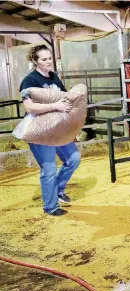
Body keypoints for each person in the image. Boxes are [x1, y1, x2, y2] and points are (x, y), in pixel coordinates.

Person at [19, 44, 81, 216]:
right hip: (39, 129)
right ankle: (50, 206)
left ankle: (58, 190)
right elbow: (30, 107)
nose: (48, 62)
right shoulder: (30, 81)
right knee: (49, 168)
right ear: (35, 61)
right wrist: (55, 105)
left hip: (57, 127)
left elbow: (64, 97)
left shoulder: (54, 77)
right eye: (44, 59)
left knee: (74, 158)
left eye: (49, 58)